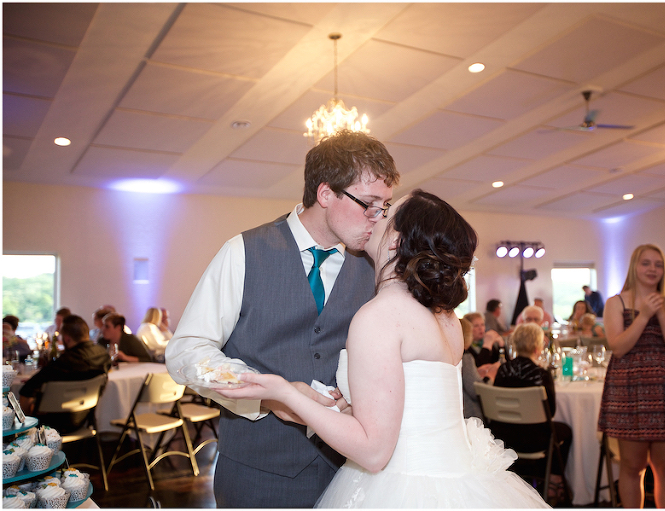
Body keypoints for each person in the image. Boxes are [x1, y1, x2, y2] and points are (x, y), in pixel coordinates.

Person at [216, 190, 548, 508]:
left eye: (387, 213)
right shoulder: (447, 318)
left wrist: (286, 394)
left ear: (396, 241)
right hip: (460, 483)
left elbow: (374, 453)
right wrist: (343, 410)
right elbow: (410, 415)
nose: (374, 216)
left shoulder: (380, 316)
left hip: (402, 487)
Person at [164, 130, 400, 508]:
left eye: (384, 206)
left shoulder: (374, 268)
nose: (378, 218)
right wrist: (270, 395)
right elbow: (186, 352)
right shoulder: (242, 252)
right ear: (326, 194)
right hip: (257, 475)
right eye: (369, 204)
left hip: (351, 474)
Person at [597, 244, 665, 508]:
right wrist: (644, 315)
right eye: (646, 263)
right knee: (632, 466)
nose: (652, 269)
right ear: (635, 267)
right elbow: (618, 346)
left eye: (658, 264)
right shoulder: (617, 302)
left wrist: (660, 312)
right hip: (628, 390)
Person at [491, 323, 573, 502]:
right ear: (538, 347)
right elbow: (549, 412)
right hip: (534, 440)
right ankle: (553, 481)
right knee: (565, 431)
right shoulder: (541, 374)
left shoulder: (503, 370)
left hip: (502, 436)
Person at [19, 314, 110, 429]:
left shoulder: (63, 363)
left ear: (67, 338)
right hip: (83, 420)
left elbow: (26, 391)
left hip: (51, 426)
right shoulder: (103, 355)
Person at [460, 317, 499, 420]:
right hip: (470, 415)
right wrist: (491, 375)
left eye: (482, 325)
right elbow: (477, 392)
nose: (480, 329)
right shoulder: (464, 355)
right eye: (476, 326)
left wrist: (475, 372)